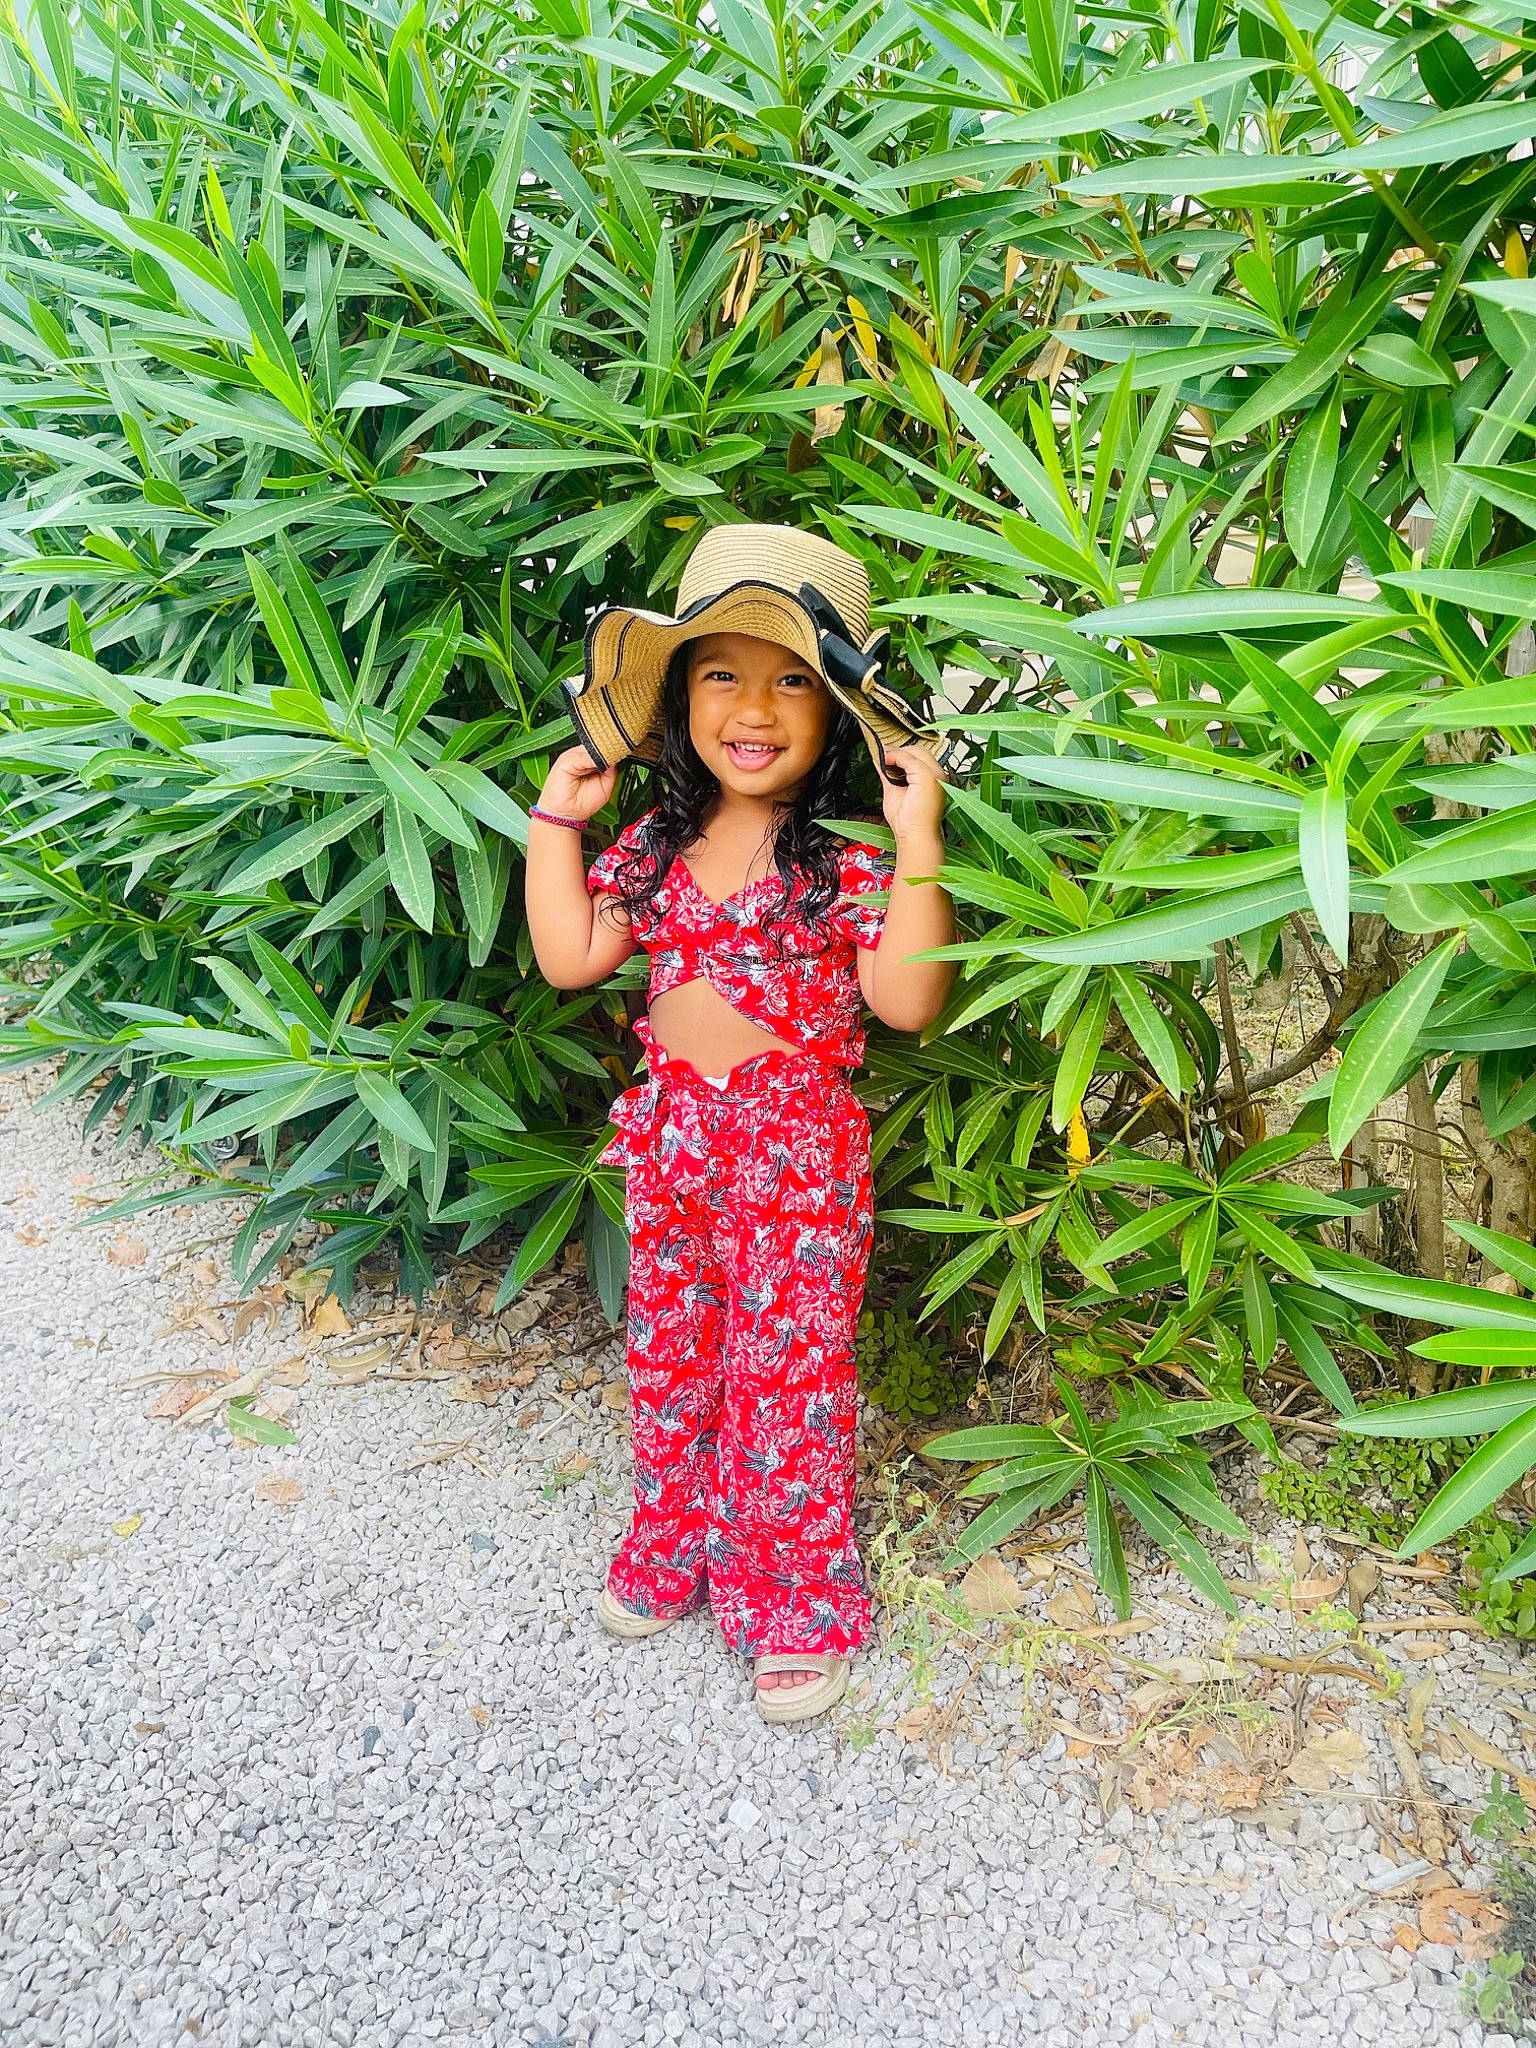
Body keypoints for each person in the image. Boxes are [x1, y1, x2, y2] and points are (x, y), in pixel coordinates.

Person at [524, 523, 957, 1724]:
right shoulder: (652, 847)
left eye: (791, 680)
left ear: (833, 716)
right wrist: (554, 821)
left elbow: (910, 999)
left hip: (798, 1162)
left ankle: (794, 1597)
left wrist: (919, 838)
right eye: (723, 671)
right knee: (671, 1364)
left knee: (787, 1382)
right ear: (679, 696)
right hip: (671, 1149)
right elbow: (571, 957)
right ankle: (674, 1548)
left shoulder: (848, 863)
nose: (754, 706)